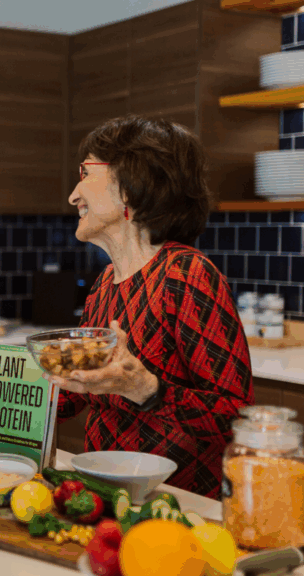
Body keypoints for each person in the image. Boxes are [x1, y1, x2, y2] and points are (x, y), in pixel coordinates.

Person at [52, 115, 254, 499]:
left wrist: (146, 389)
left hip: (176, 505)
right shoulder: (104, 284)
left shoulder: (186, 274)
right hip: (109, 496)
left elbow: (236, 417)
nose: (74, 195)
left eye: (86, 173)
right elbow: (76, 392)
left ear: (131, 185)